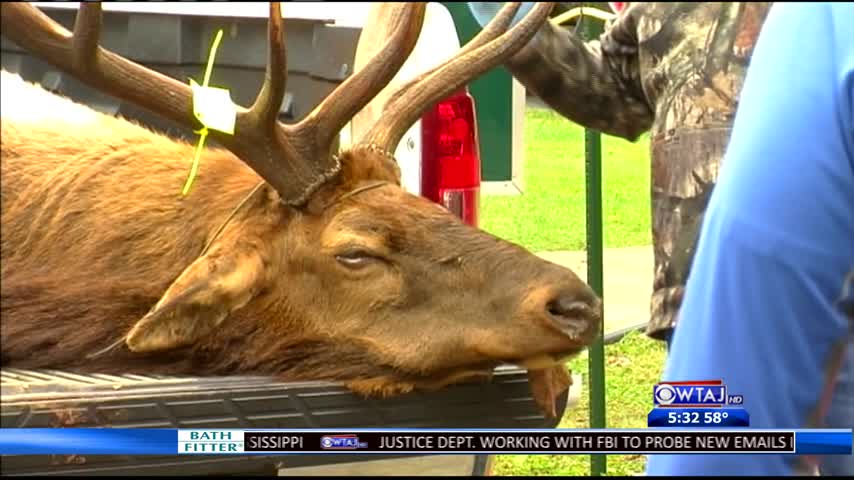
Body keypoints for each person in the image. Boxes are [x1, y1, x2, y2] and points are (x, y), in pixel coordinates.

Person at [466, 2, 773, 351]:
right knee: (707, 406)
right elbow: (611, 90)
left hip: (827, 301)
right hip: (698, 306)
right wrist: (510, 15)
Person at [644, 1, 854, 476]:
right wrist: (519, 28)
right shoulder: (664, 11)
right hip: (700, 298)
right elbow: (601, 89)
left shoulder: (821, 20)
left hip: (796, 291)